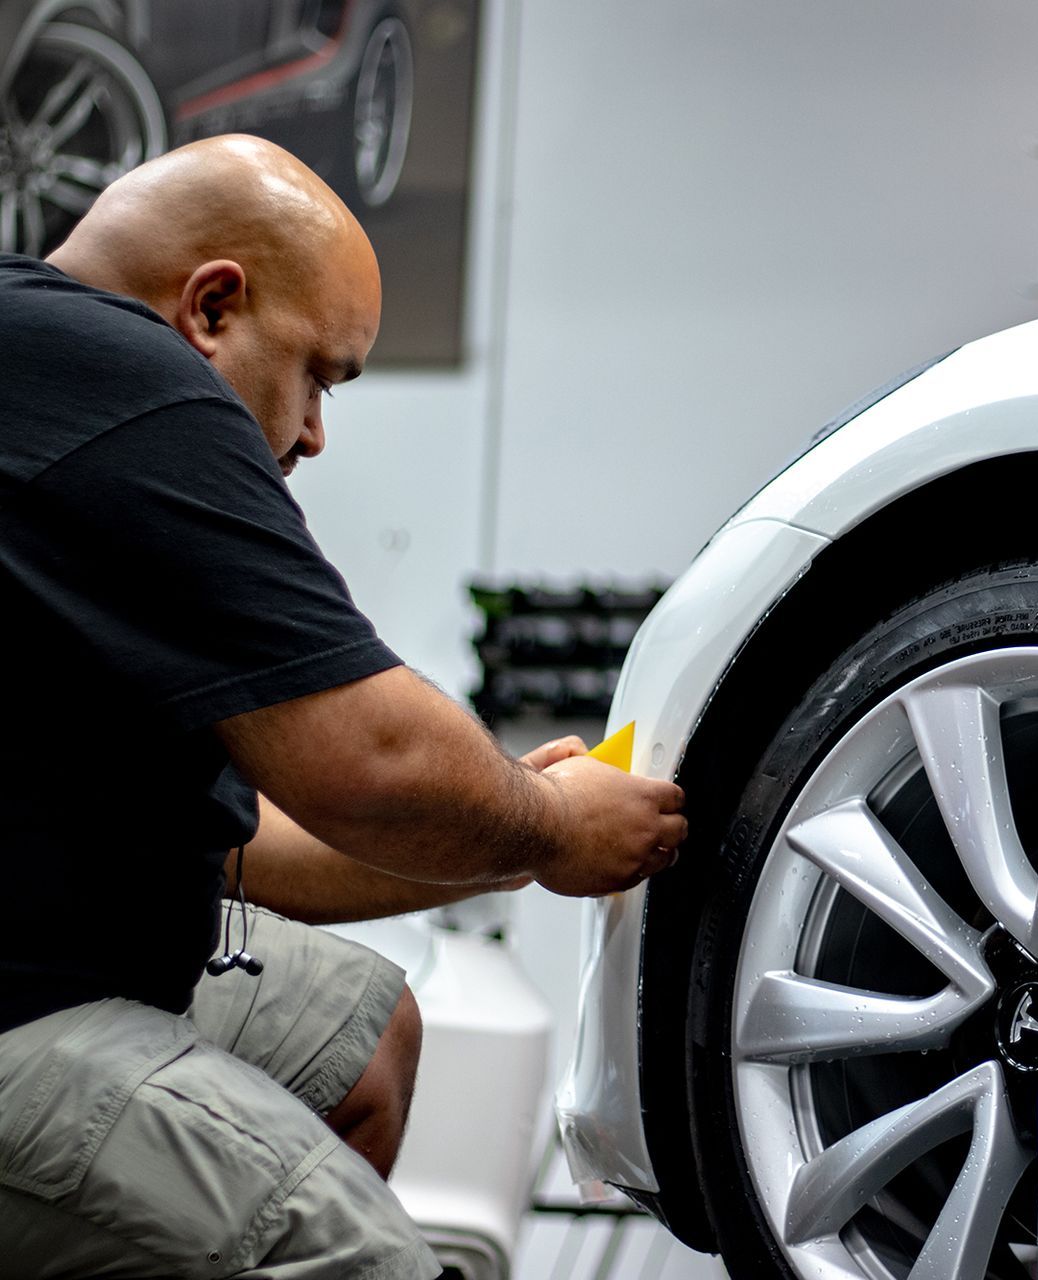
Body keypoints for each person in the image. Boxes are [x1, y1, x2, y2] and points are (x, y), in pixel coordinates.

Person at [0, 135, 686, 1277]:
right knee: (359, 1254)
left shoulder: (46, 367)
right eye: (320, 376)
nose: (315, 432)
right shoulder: (127, 380)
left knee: (363, 1038)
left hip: (54, 952)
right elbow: (369, 760)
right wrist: (552, 825)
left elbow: (248, 844)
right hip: (22, 1011)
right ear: (212, 306)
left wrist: (510, 838)